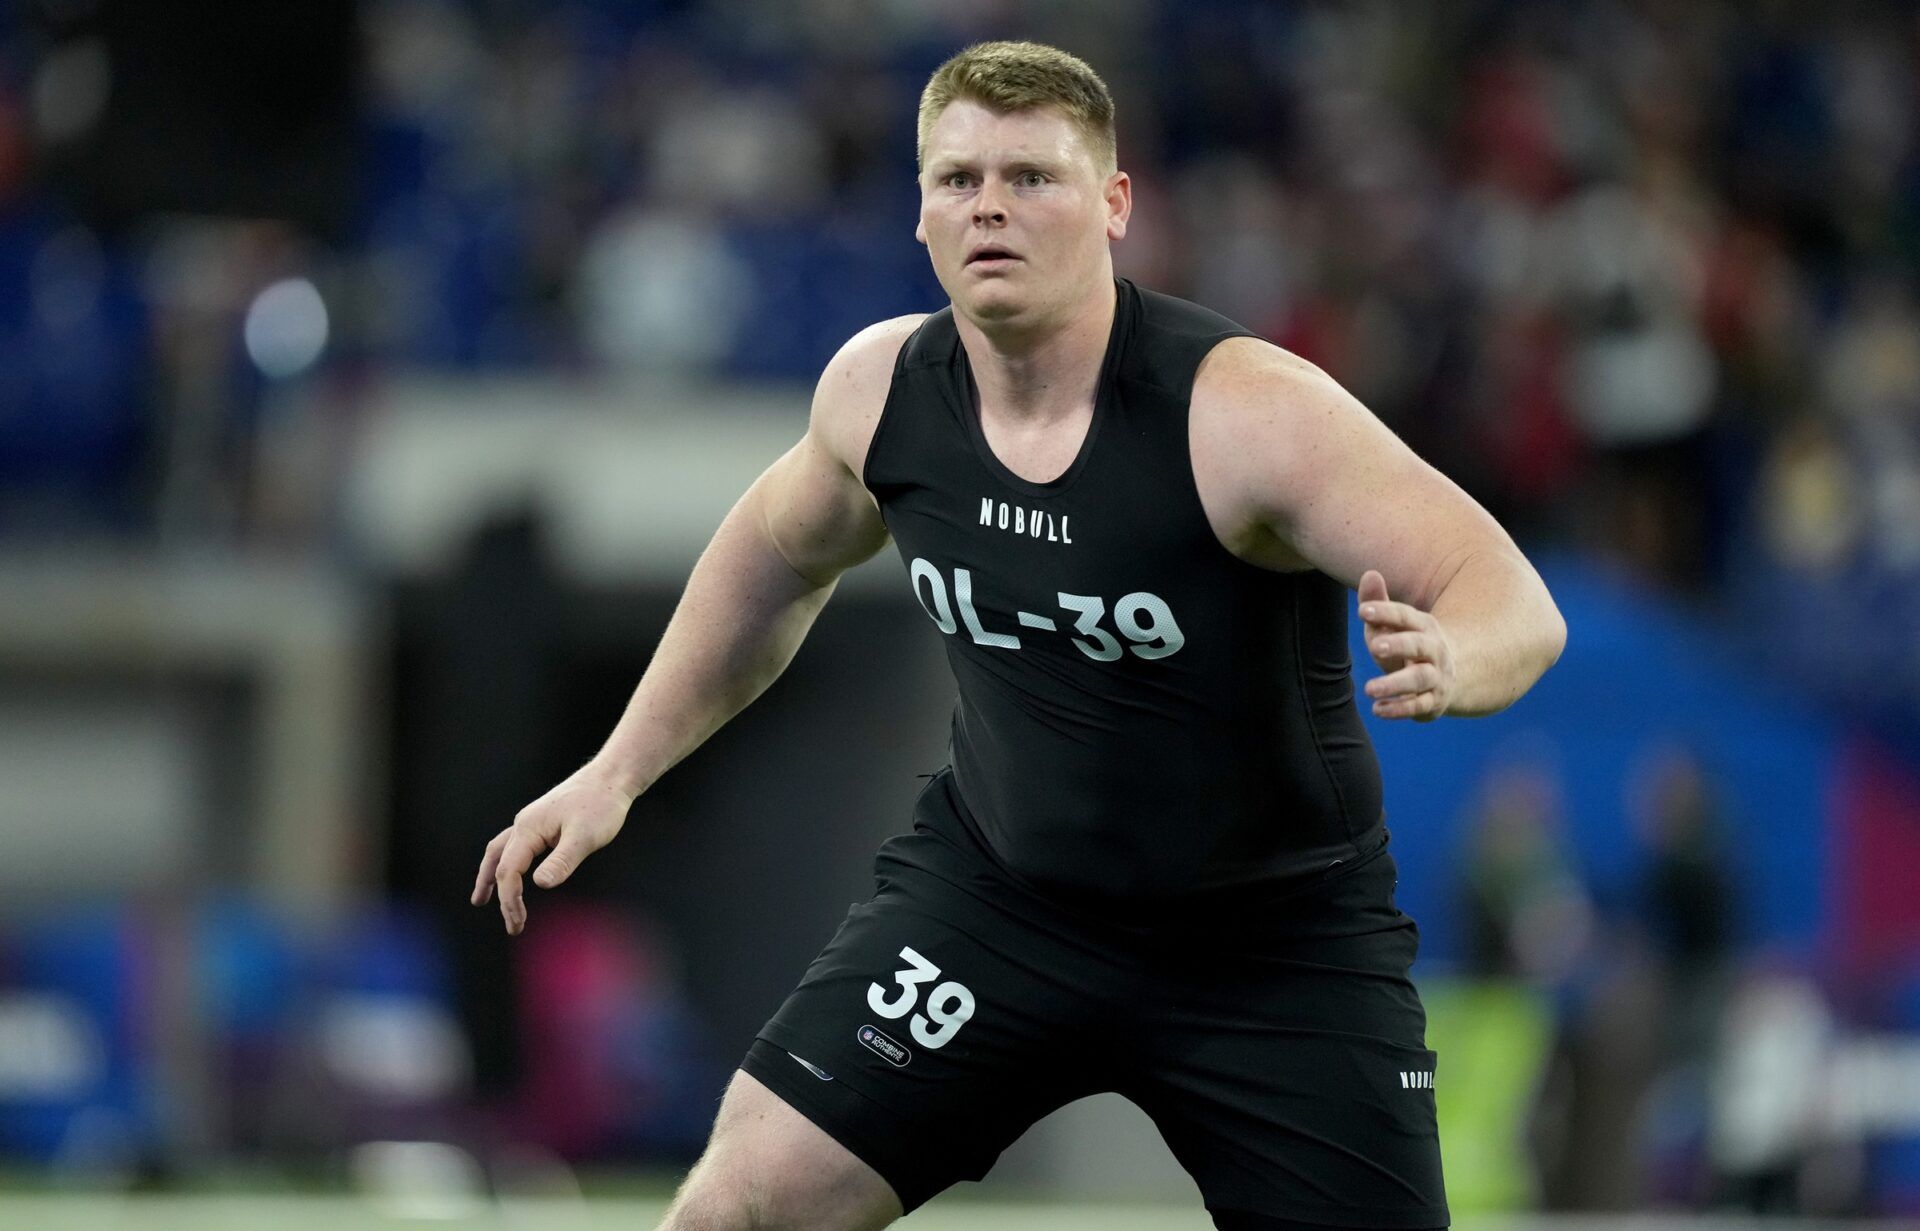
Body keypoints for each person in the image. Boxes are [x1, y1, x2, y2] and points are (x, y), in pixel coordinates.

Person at [471, 40, 1565, 1231]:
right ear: (923, 214)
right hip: (1001, 906)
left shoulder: (1245, 412)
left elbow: (1509, 594)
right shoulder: (881, 390)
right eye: (958, 179)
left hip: (1274, 947)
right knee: (733, 1211)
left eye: (1032, 177)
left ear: (1113, 208)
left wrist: (1458, 658)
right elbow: (776, 557)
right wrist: (617, 771)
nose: (989, 204)